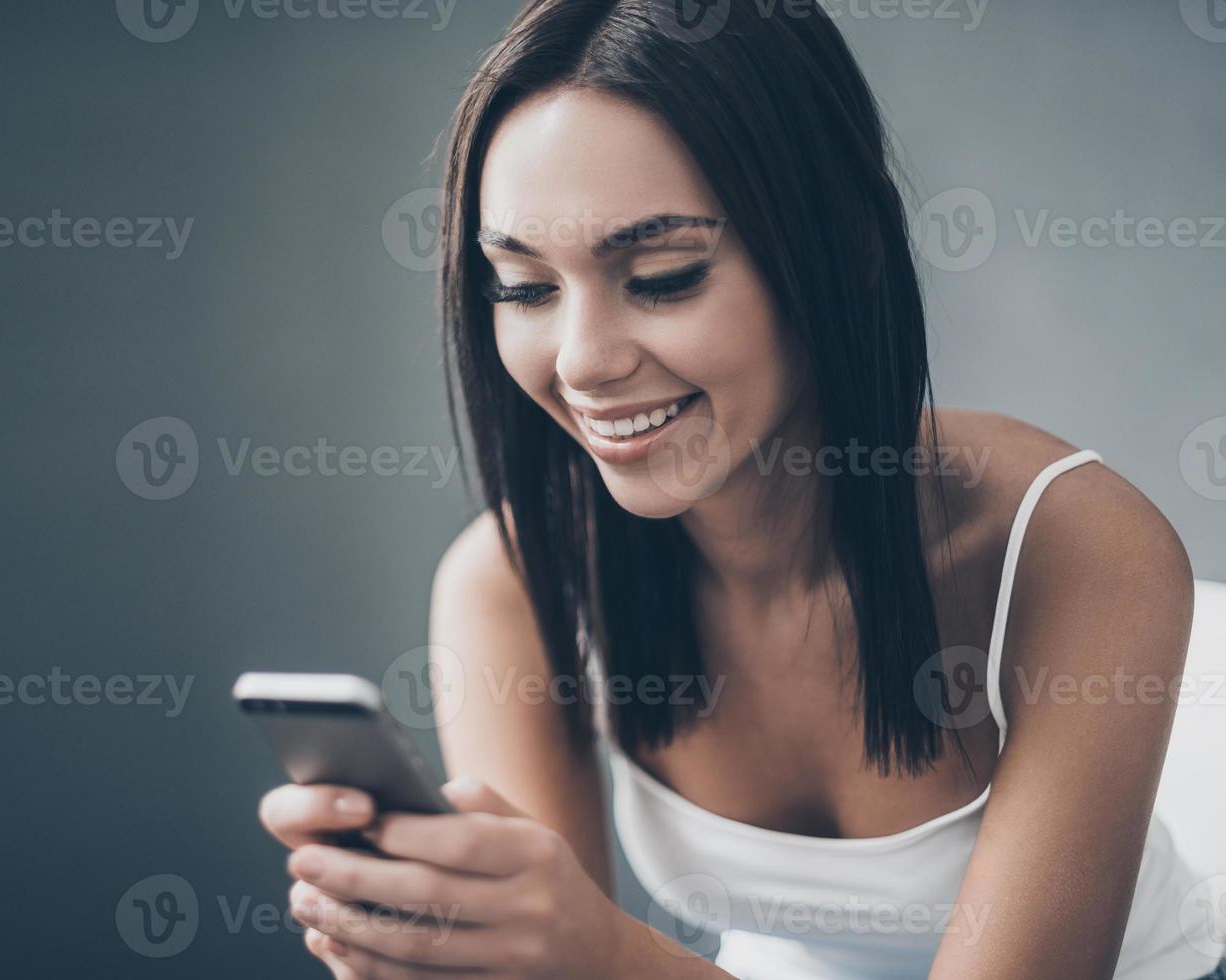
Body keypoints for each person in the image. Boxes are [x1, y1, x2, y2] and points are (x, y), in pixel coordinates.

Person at [259, 1, 1226, 976]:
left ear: (842, 250)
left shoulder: (1078, 550)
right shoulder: (509, 581)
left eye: (664, 275)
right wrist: (444, 947)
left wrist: (596, 953)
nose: (582, 362)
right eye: (523, 287)